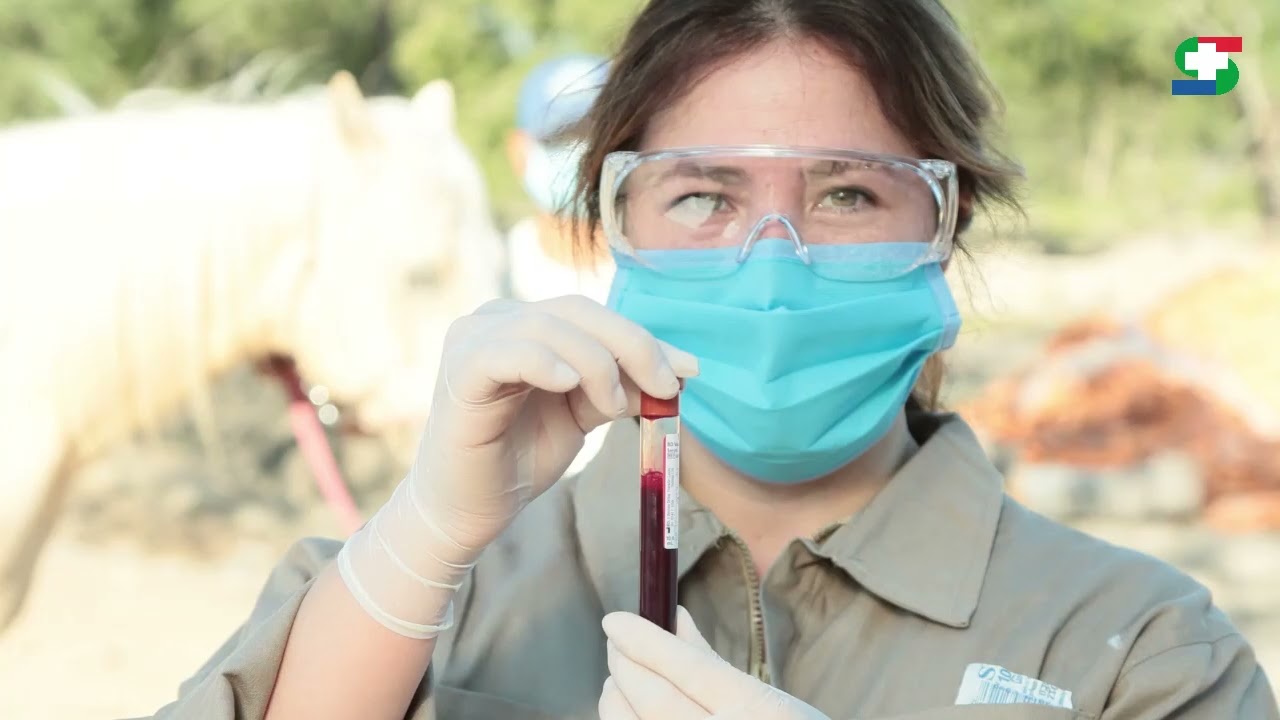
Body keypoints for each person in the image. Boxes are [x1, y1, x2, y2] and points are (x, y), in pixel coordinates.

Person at [148, 1, 1280, 718]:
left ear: (946, 224)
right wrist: (423, 537)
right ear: (609, 222)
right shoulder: (427, 587)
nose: (770, 262)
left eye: (845, 192)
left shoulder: (1138, 646)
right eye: (703, 195)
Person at [504, 53, 616, 476]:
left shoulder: (663, 271)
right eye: (563, 137)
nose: (585, 152)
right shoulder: (490, 272)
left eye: (599, 134)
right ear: (520, 152)